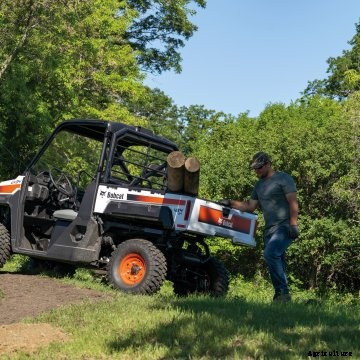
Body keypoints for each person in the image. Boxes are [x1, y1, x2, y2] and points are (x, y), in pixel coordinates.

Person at [220, 152, 299, 302]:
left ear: (268, 164)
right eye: (255, 168)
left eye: (260, 167)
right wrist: (230, 202)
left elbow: (293, 202)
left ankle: (283, 293)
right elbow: (250, 206)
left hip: (284, 226)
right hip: (269, 230)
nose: (257, 171)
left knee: (270, 254)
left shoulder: (283, 178)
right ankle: (282, 296)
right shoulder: (259, 185)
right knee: (278, 260)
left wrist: (293, 224)